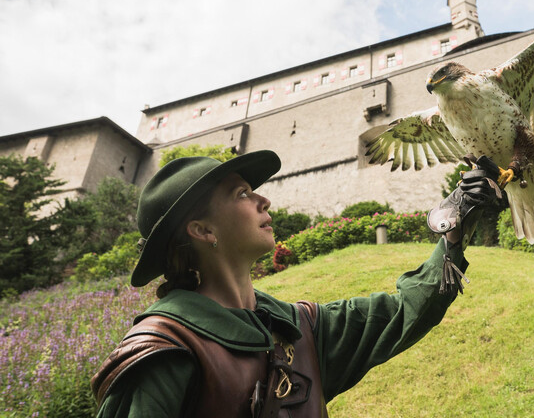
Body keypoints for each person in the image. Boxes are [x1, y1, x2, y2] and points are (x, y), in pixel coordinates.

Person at [91, 150, 497, 417]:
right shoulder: (163, 353)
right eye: (241, 194)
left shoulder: (299, 328)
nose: (263, 200)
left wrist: (455, 224)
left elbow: (405, 310)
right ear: (202, 229)